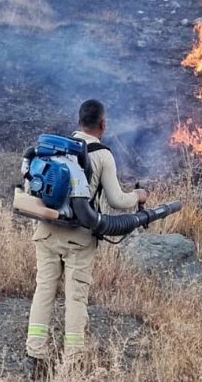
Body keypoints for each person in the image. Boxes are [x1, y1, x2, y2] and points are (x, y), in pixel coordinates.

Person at [26, 99, 147, 376]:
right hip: (78, 238)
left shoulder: (57, 148)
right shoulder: (102, 155)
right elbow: (117, 200)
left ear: (79, 121)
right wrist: (138, 197)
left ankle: (34, 353)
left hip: (45, 231)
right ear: (102, 124)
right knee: (75, 298)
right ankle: (72, 360)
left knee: (44, 289)